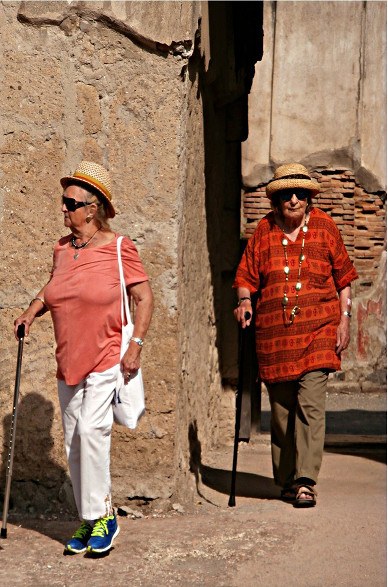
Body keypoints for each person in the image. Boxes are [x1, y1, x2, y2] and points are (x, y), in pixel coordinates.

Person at [14, 161, 153, 552]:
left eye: (70, 202)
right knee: (75, 441)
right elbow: (52, 288)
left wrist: (135, 345)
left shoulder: (120, 248)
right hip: (68, 359)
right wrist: (31, 311)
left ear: (92, 208)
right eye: (64, 202)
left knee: (92, 432)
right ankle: (89, 518)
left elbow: (144, 297)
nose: (63, 209)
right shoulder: (62, 249)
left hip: (107, 354)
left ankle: (102, 517)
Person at [233, 163, 358, 508]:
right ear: (276, 199)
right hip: (274, 338)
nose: (293, 199)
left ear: (308, 197)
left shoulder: (324, 227)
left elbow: (344, 278)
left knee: (311, 406)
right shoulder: (264, 231)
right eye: (287, 194)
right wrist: (245, 301)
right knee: (283, 411)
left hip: (319, 329)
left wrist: (344, 321)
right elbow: (246, 276)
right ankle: (287, 479)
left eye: (300, 193)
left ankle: (305, 481)